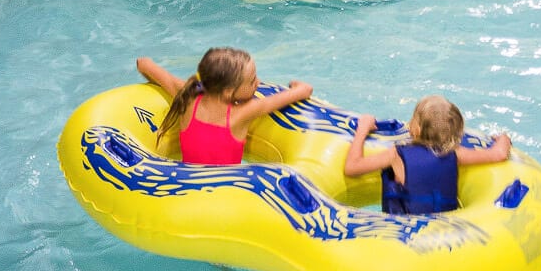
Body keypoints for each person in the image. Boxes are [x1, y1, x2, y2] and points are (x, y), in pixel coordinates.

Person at [136, 47, 313, 165]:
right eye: (252, 81)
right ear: (228, 92)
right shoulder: (243, 113)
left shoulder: (188, 97)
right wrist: (300, 87)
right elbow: (299, 92)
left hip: (186, 186)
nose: (258, 83)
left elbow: (143, 64)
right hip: (224, 197)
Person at [343, 96, 512, 215]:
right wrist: (503, 138)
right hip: (444, 232)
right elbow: (499, 154)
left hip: (404, 234)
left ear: (415, 129)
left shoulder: (397, 155)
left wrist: (362, 129)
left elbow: (352, 167)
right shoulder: (456, 154)